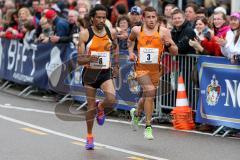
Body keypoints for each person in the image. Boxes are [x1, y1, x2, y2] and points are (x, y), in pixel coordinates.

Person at [128, 6, 178, 140]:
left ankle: (136, 113)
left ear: (157, 18)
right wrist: (131, 53)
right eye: (148, 17)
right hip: (141, 68)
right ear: (143, 18)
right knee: (150, 92)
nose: (151, 20)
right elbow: (130, 40)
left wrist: (168, 45)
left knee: (146, 97)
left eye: (153, 17)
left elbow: (175, 51)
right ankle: (148, 127)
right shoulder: (137, 30)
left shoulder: (164, 32)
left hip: (156, 70)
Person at [77, 4, 119, 150]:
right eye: (99, 17)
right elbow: (80, 60)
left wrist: (116, 65)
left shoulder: (110, 32)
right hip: (90, 74)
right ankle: (89, 137)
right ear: (93, 19)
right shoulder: (85, 35)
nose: (101, 20)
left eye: (104, 17)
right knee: (89, 108)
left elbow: (115, 47)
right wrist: (93, 59)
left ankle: (100, 107)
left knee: (112, 99)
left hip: (105, 72)